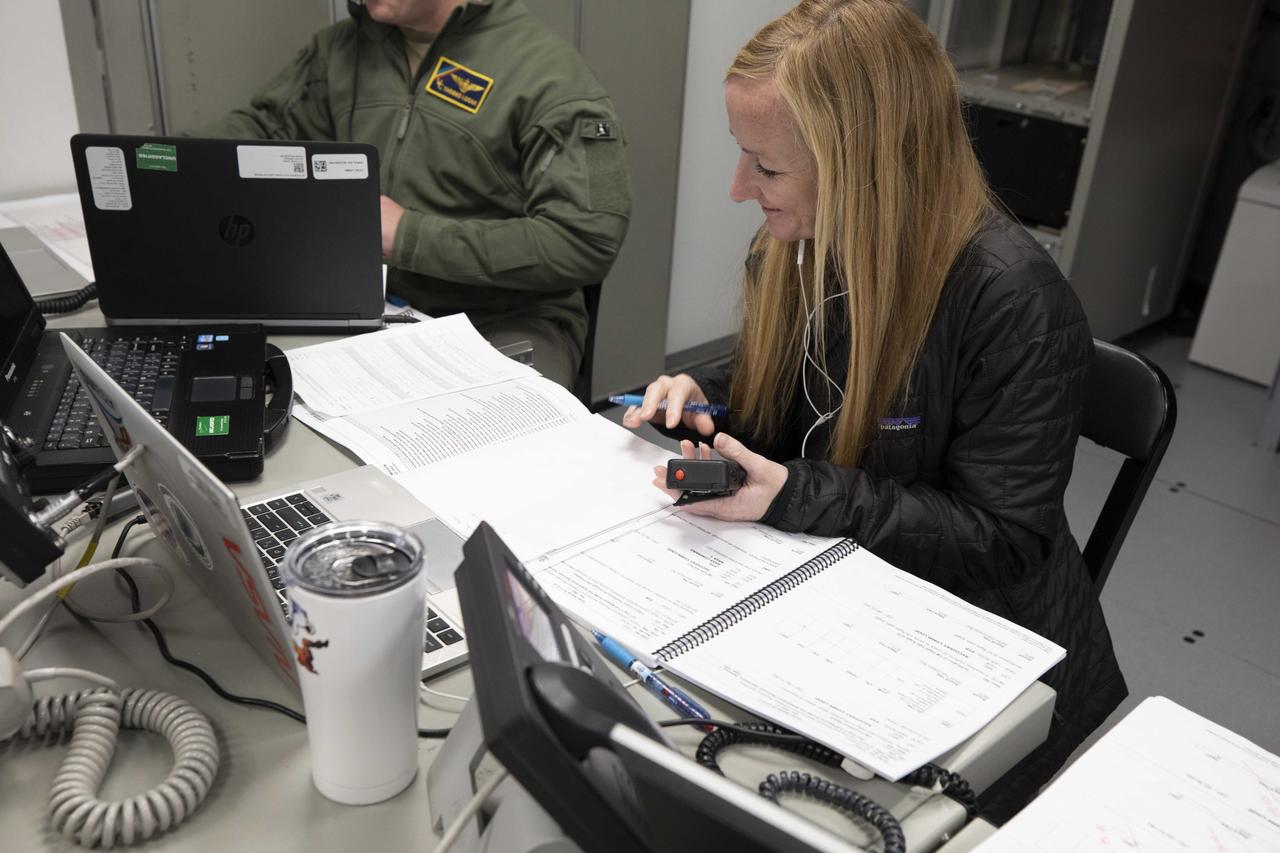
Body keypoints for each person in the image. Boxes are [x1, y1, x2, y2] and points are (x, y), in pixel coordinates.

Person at [622, 0, 1125, 823]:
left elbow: (1001, 539)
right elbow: (795, 385)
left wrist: (794, 493)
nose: (739, 188)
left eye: (768, 168)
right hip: (850, 594)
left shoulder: (1015, 301)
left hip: (982, 665)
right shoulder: (803, 243)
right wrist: (706, 395)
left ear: (866, 166)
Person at [189, 0, 631, 390]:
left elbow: (584, 242)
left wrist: (409, 238)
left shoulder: (546, 75)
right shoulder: (343, 51)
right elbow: (265, 130)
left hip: (501, 319)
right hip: (367, 302)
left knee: (485, 456)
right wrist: (167, 163)